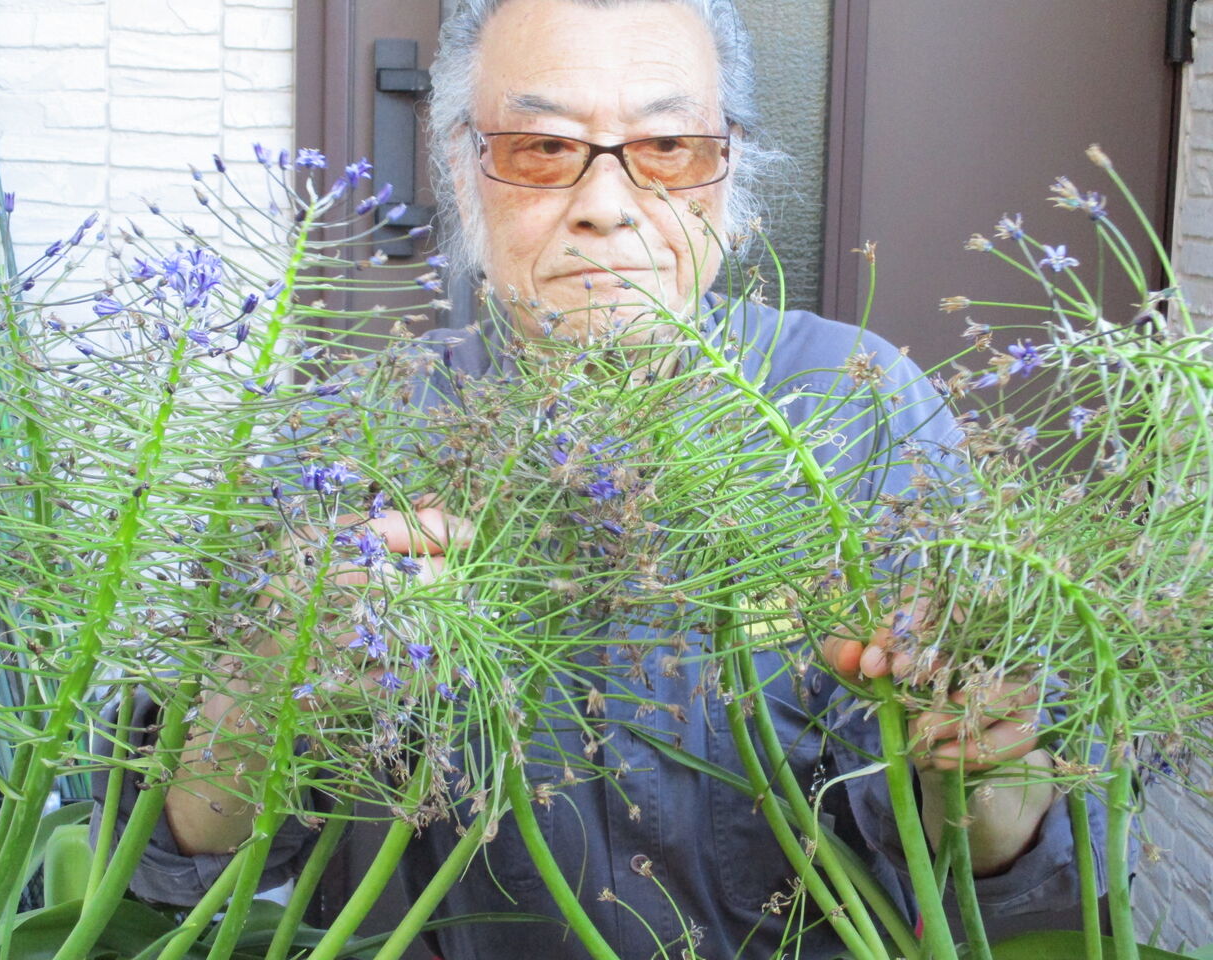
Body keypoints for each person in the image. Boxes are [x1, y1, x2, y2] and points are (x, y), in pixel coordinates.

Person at [95, 1, 1104, 957]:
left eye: (668, 149)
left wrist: (981, 763)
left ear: (732, 176)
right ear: (461, 172)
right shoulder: (350, 440)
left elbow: (1010, 875)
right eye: (540, 149)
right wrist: (265, 681)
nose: (608, 209)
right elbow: (173, 869)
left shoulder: (859, 409)